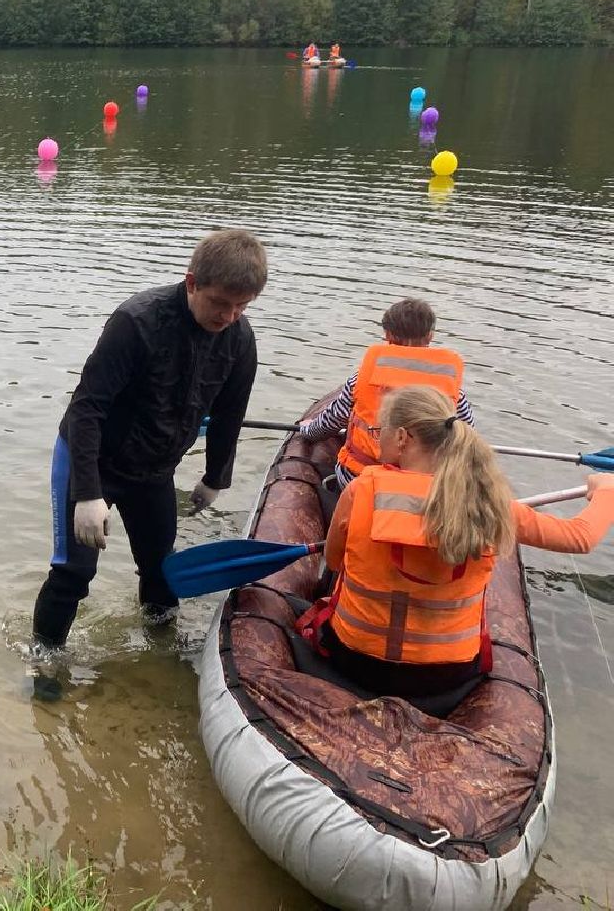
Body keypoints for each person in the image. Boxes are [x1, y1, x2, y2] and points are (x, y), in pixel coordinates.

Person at [31, 229, 266, 649]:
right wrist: (87, 494)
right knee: (74, 573)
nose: (229, 316)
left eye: (241, 307)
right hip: (93, 461)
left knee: (162, 571)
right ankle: (44, 665)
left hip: (155, 469)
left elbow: (230, 414)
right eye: (220, 303)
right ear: (192, 282)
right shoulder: (137, 322)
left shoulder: (240, 339)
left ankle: (160, 653)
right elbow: (87, 407)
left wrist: (215, 478)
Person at [307, 385, 614, 704]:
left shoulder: (362, 490)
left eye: (377, 430)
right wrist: (606, 488)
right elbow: (580, 537)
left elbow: (333, 562)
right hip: (447, 674)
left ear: (401, 437)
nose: (375, 437)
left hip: (355, 661)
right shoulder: (491, 503)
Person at [299, 298, 471, 491]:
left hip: (360, 477)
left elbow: (333, 420)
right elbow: (466, 432)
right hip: (424, 483)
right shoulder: (450, 387)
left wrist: (308, 430)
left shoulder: (363, 377)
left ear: (387, 334)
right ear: (430, 336)